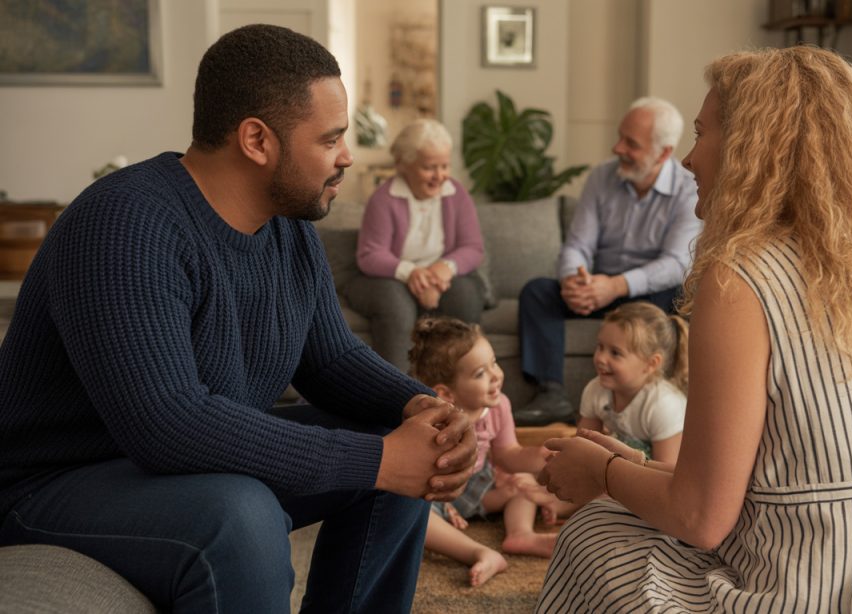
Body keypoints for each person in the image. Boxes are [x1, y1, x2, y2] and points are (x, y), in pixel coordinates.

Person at [0, 24, 478, 613]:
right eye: (330, 139)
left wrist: (421, 409)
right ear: (257, 140)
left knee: (402, 443)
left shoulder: (288, 229)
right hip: (52, 484)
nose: (347, 157)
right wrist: (380, 461)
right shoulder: (124, 225)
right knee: (242, 514)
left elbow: (331, 358)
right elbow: (167, 422)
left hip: (169, 469)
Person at [535, 46, 852, 612]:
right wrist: (633, 463)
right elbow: (793, 468)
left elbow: (701, 518)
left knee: (594, 531)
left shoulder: (740, 277)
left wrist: (603, 472)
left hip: (827, 583)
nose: (689, 160)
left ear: (752, 147)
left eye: (701, 134)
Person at [515, 96, 702, 426]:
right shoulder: (601, 177)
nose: (617, 148)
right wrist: (574, 281)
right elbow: (577, 245)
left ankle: (651, 396)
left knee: (675, 295)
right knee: (537, 292)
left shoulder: (688, 189)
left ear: (663, 153)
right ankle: (551, 393)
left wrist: (616, 286)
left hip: (645, 294)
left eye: (631, 143)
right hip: (596, 286)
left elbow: (676, 263)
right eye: (620, 137)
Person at [409, 317, 559, 587]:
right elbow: (422, 473)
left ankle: (521, 534)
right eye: (481, 373)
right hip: (436, 490)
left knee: (524, 481)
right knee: (413, 516)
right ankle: (479, 553)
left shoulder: (499, 406)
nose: (496, 375)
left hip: (480, 484)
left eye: (494, 363)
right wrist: (444, 503)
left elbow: (507, 455)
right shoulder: (433, 420)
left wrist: (539, 456)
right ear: (446, 393)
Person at [345, 118, 487, 373]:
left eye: (444, 166)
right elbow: (370, 254)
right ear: (404, 165)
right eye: (429, 167)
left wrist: (445, 268)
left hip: (441, 277)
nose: (439, 176)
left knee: (465, 295)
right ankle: (398, 388)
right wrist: (411, 273)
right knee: (395, 305)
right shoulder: (384, 199)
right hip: (390, 279)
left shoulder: (456, 194)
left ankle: (460, 381)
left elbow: (472, 247)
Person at [578, 301, 688, 464]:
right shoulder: (596, 389)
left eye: (615, 353)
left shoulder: (662, 405)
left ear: (651, 364)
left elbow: (666, 472)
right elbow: (582, 448)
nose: (600, 358)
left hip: (664, 472)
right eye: (600, 347)